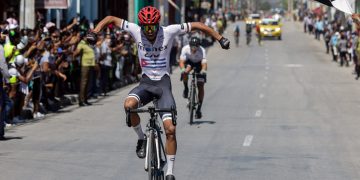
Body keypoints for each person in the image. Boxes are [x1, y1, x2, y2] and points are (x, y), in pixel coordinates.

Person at [93, 6, 230, 180]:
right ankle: (142, 138)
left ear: (158, 24)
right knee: (129, 105)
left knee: (170, 130)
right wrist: (95, 31)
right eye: (146, 27)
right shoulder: (136, 30)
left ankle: (170, 172)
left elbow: (197, 25)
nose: (149, 31)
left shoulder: (169, 31)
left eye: (152, 27)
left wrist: (220, 38)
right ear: (141, 26)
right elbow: (111, 17)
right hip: (145, 83)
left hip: (163, 85)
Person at [179, 37, 207, 119]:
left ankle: (199, 109)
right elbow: (181, 61)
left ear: (198, 46)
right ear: (190, 45)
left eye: (196, 47)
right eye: (192, 47)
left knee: (201, 85)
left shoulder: (202, 50)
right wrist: (183, 69)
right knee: (185, 71)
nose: (194, 49)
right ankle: (186, 88)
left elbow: (204, 63)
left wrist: (203, 70)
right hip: (189, 62)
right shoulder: (185, 49)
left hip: (199, 64)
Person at [73, 32, 96, 107]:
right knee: (83, 83)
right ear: (83, 37)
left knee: (87, 83)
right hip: (85, 65)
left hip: (90, 65)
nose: (88, 37)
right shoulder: (81, 44)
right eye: (87, 36)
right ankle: (81, 100)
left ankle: (85, 99)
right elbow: (76, 53)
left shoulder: (87, 44)